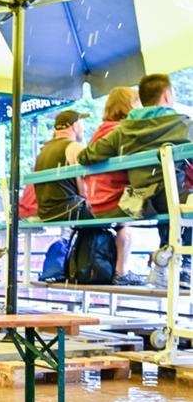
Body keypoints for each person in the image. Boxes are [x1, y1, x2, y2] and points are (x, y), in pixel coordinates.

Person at [78, 74, 193, 287]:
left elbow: (86, 156)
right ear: (167, 96)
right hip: (172, 197)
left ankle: (169, 259)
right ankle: (183, 265)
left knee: (172, 202)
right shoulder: (183, 125)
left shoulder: (124, 129)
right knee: (182, 201)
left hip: (140, 200)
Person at [80, 87, 145, 286]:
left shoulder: (99, 132)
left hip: (95, 202)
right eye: (138, 102)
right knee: (164, 200)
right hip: (114, 201)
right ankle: (123, 271)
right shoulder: (123, 132)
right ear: (130, 105)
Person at [33, 110, 93, 222]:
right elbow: (84, 191)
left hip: (45, 214)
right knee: (112, 211)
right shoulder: (74, 147)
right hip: (69, 210)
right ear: (74, 125)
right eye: (81, 123)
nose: (83, 128)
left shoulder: (43, 151)